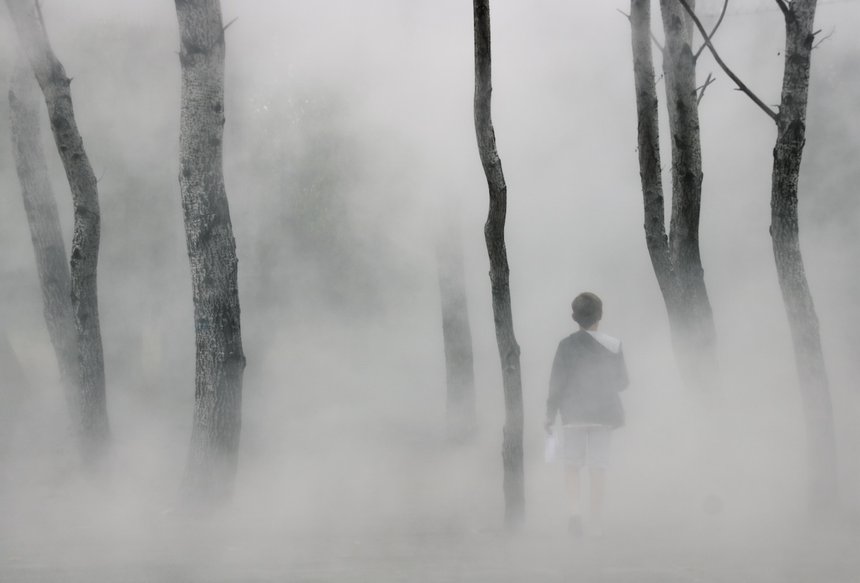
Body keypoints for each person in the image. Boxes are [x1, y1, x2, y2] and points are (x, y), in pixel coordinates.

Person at [545, 292, 628, 537]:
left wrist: (550, 414)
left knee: (572, 465)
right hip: (603, 415)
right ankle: (596, 523)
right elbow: (622, 382)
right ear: (600, 315)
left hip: (573, 415)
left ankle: (574, 514)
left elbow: (556, 384)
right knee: (598, 467)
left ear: (574, 317)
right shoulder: (614, 345)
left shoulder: (565, 345)